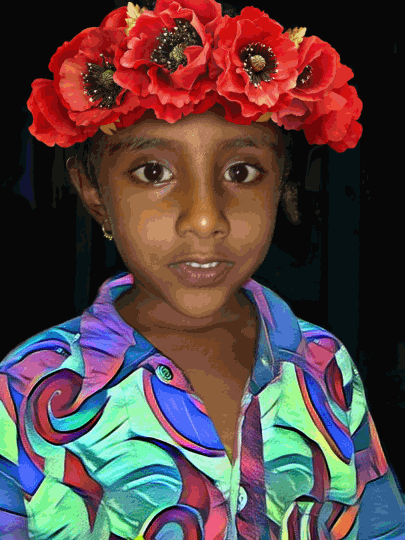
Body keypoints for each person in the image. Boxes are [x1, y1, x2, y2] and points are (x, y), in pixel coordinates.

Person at [1, 0, 404, 539]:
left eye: (242, 172)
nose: (206, 219)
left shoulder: (323, 364)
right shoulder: (28, 387)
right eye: (153, 172)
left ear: (283, 185)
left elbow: (380, 526)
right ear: (94, 193)